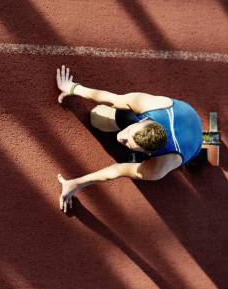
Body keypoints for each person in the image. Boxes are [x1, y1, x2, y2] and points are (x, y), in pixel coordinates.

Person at [56, 65, 203, 212]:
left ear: (149, 154)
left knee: (144, 167)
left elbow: (117, 171)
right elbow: (111, 99)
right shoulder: (148, 104)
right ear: (142, 121)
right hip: (188, 114)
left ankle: (202, 147)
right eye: (129, 133)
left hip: (192, 145)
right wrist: (74, 88)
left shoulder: (159, 168)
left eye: (128, 143)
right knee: (96, 116)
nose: (121, 138)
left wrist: (76, 184)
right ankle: (134, 139)